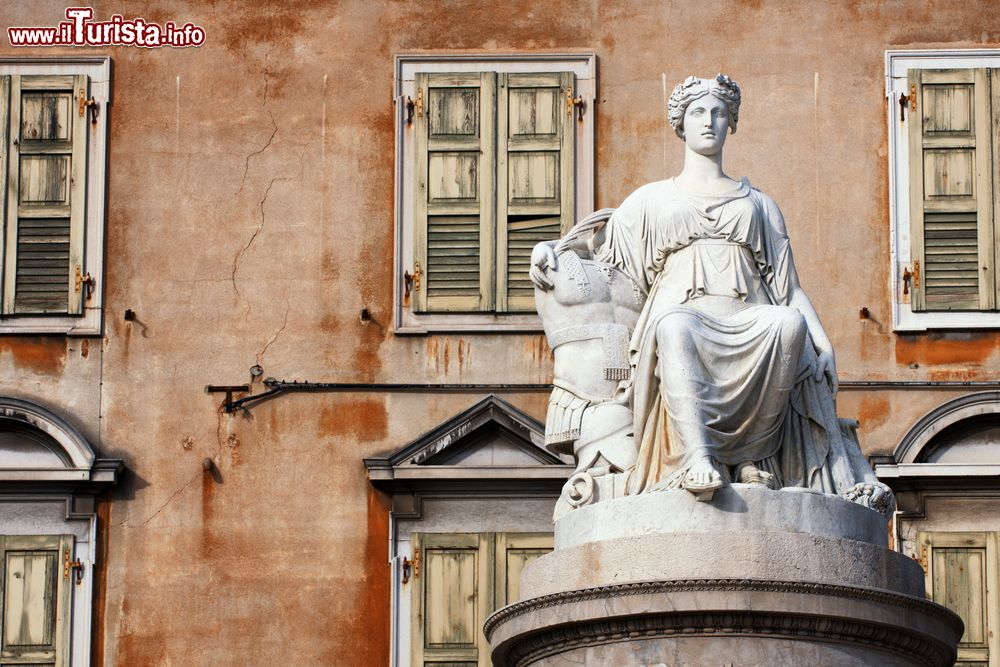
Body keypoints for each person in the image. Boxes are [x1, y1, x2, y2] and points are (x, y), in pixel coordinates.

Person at [532, 74, 876, 501]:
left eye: (718, 112)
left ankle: (752, 454)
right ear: (681, 123)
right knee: (673, 327)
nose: (708, 121)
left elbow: (789, 289)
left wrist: (824, 343)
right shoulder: (651, 200)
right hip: (684, 315)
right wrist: (549, 249)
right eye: (698, 112)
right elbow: (599, 255)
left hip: (747, 315)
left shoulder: (760, 204)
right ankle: (698, 457)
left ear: (731, 121)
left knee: (788, 325)